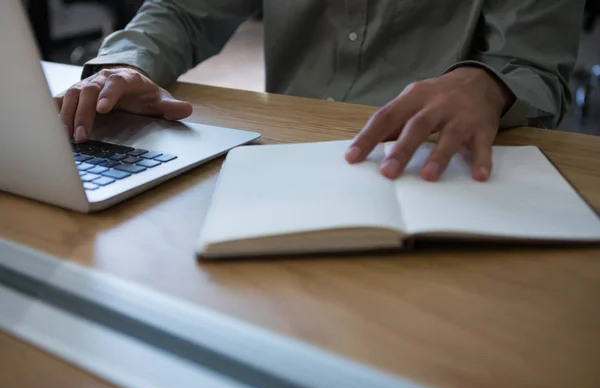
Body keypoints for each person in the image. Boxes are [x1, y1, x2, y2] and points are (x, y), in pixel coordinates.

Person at [55, 0, 584, 182]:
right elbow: (182, 11)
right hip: (285, 160)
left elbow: (534, 66)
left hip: (442, 167)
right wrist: (122, 65)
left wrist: (489, 84)